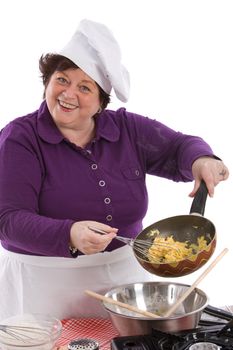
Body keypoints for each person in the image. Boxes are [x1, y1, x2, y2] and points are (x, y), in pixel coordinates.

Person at [0, 19, 229, 322]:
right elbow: (8, 219)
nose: (68, 94)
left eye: (84, 87)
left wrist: (201, 159)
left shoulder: (126, 128)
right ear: (47, 81)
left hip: (126, 282)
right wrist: (68, 233)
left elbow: (178, 147)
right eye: (62, 80)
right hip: (44, 285)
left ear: (100, 103)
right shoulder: (20, 138)